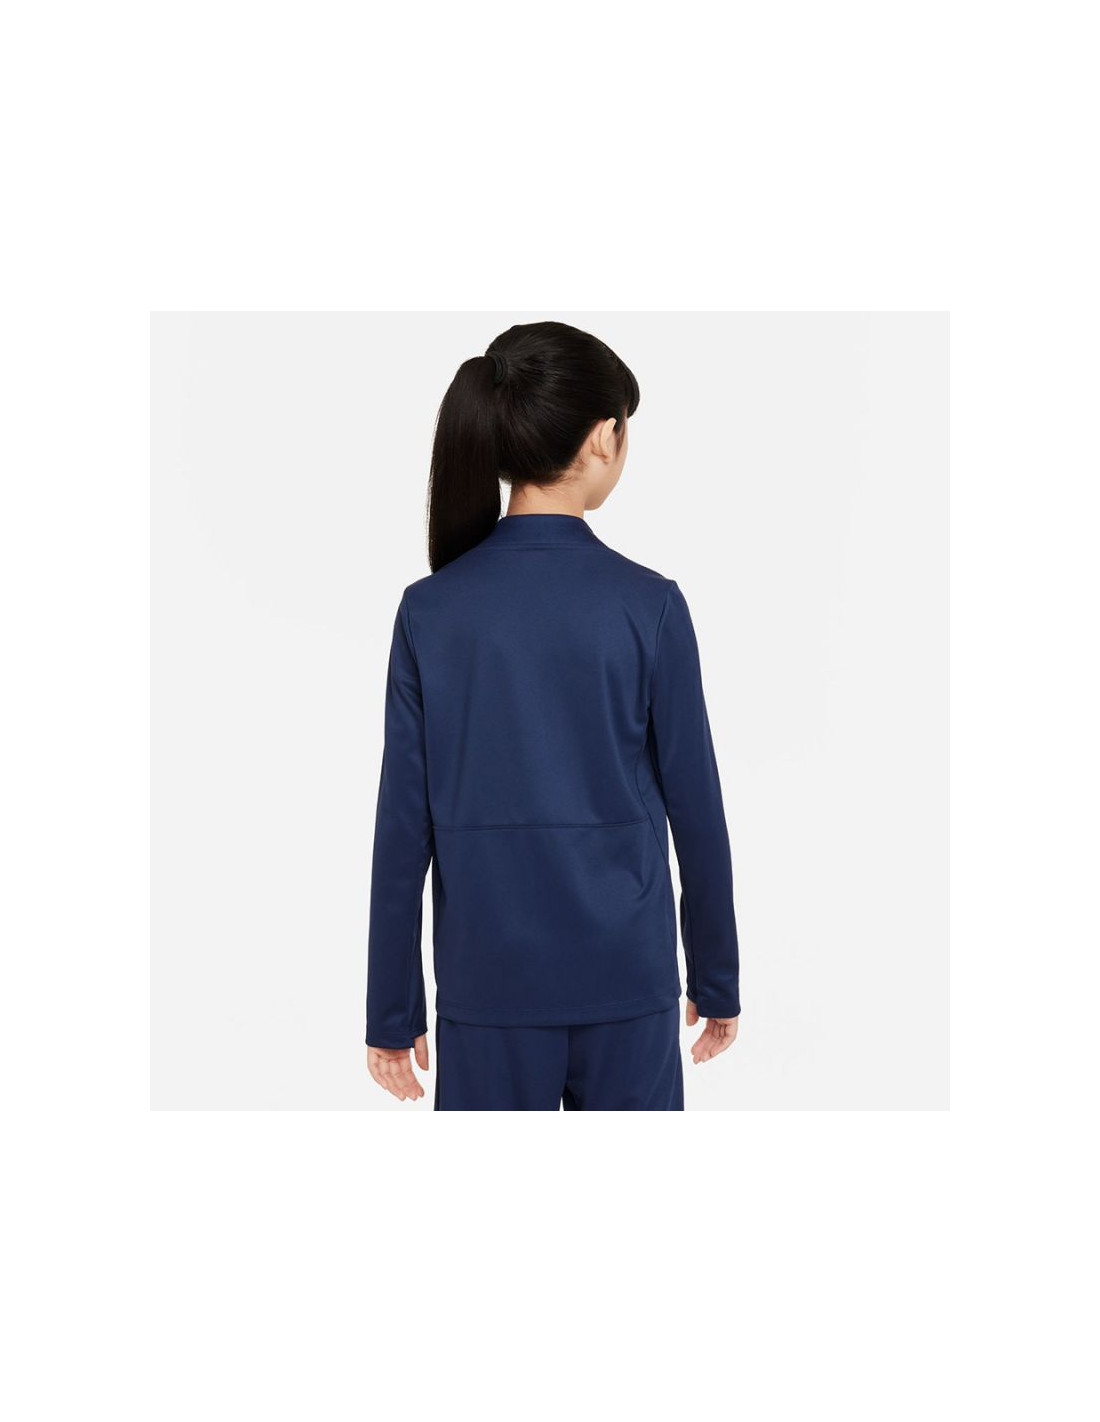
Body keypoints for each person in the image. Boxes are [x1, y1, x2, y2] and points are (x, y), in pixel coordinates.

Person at [365, 321, 740, 1111]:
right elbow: (697, 808)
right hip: (626, 977)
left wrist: (392, 1011)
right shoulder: (650, 605)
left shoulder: (430, 611)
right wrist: (716, 976)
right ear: (604, 436)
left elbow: (402, 827)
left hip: (486, 984)